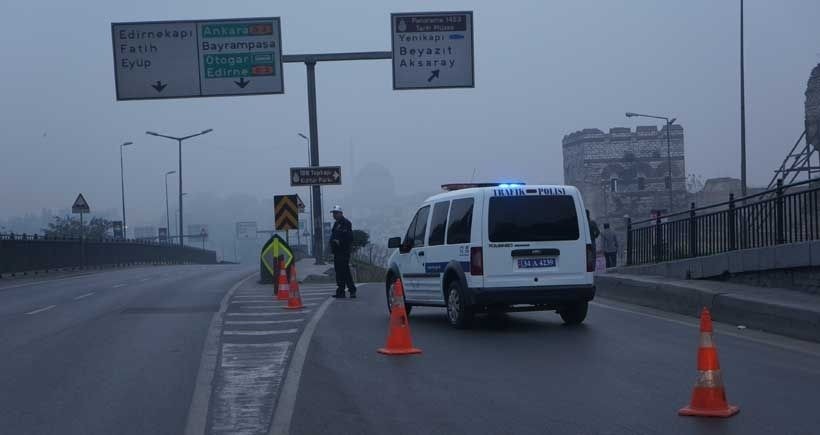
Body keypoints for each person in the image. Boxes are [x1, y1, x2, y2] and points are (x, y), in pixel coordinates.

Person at [329, 205, 356, 298]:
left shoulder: (346, 223)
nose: (334, 215)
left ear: (341, 213)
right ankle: (340, 291)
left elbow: (349, 238)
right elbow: (333, 236)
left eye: (336, 213)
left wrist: (340, 241)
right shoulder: (336, 224)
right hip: (337, 252)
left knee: (345, 271)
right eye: (333, 213)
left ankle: (352, 290)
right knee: (339, 272)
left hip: (343, 251)